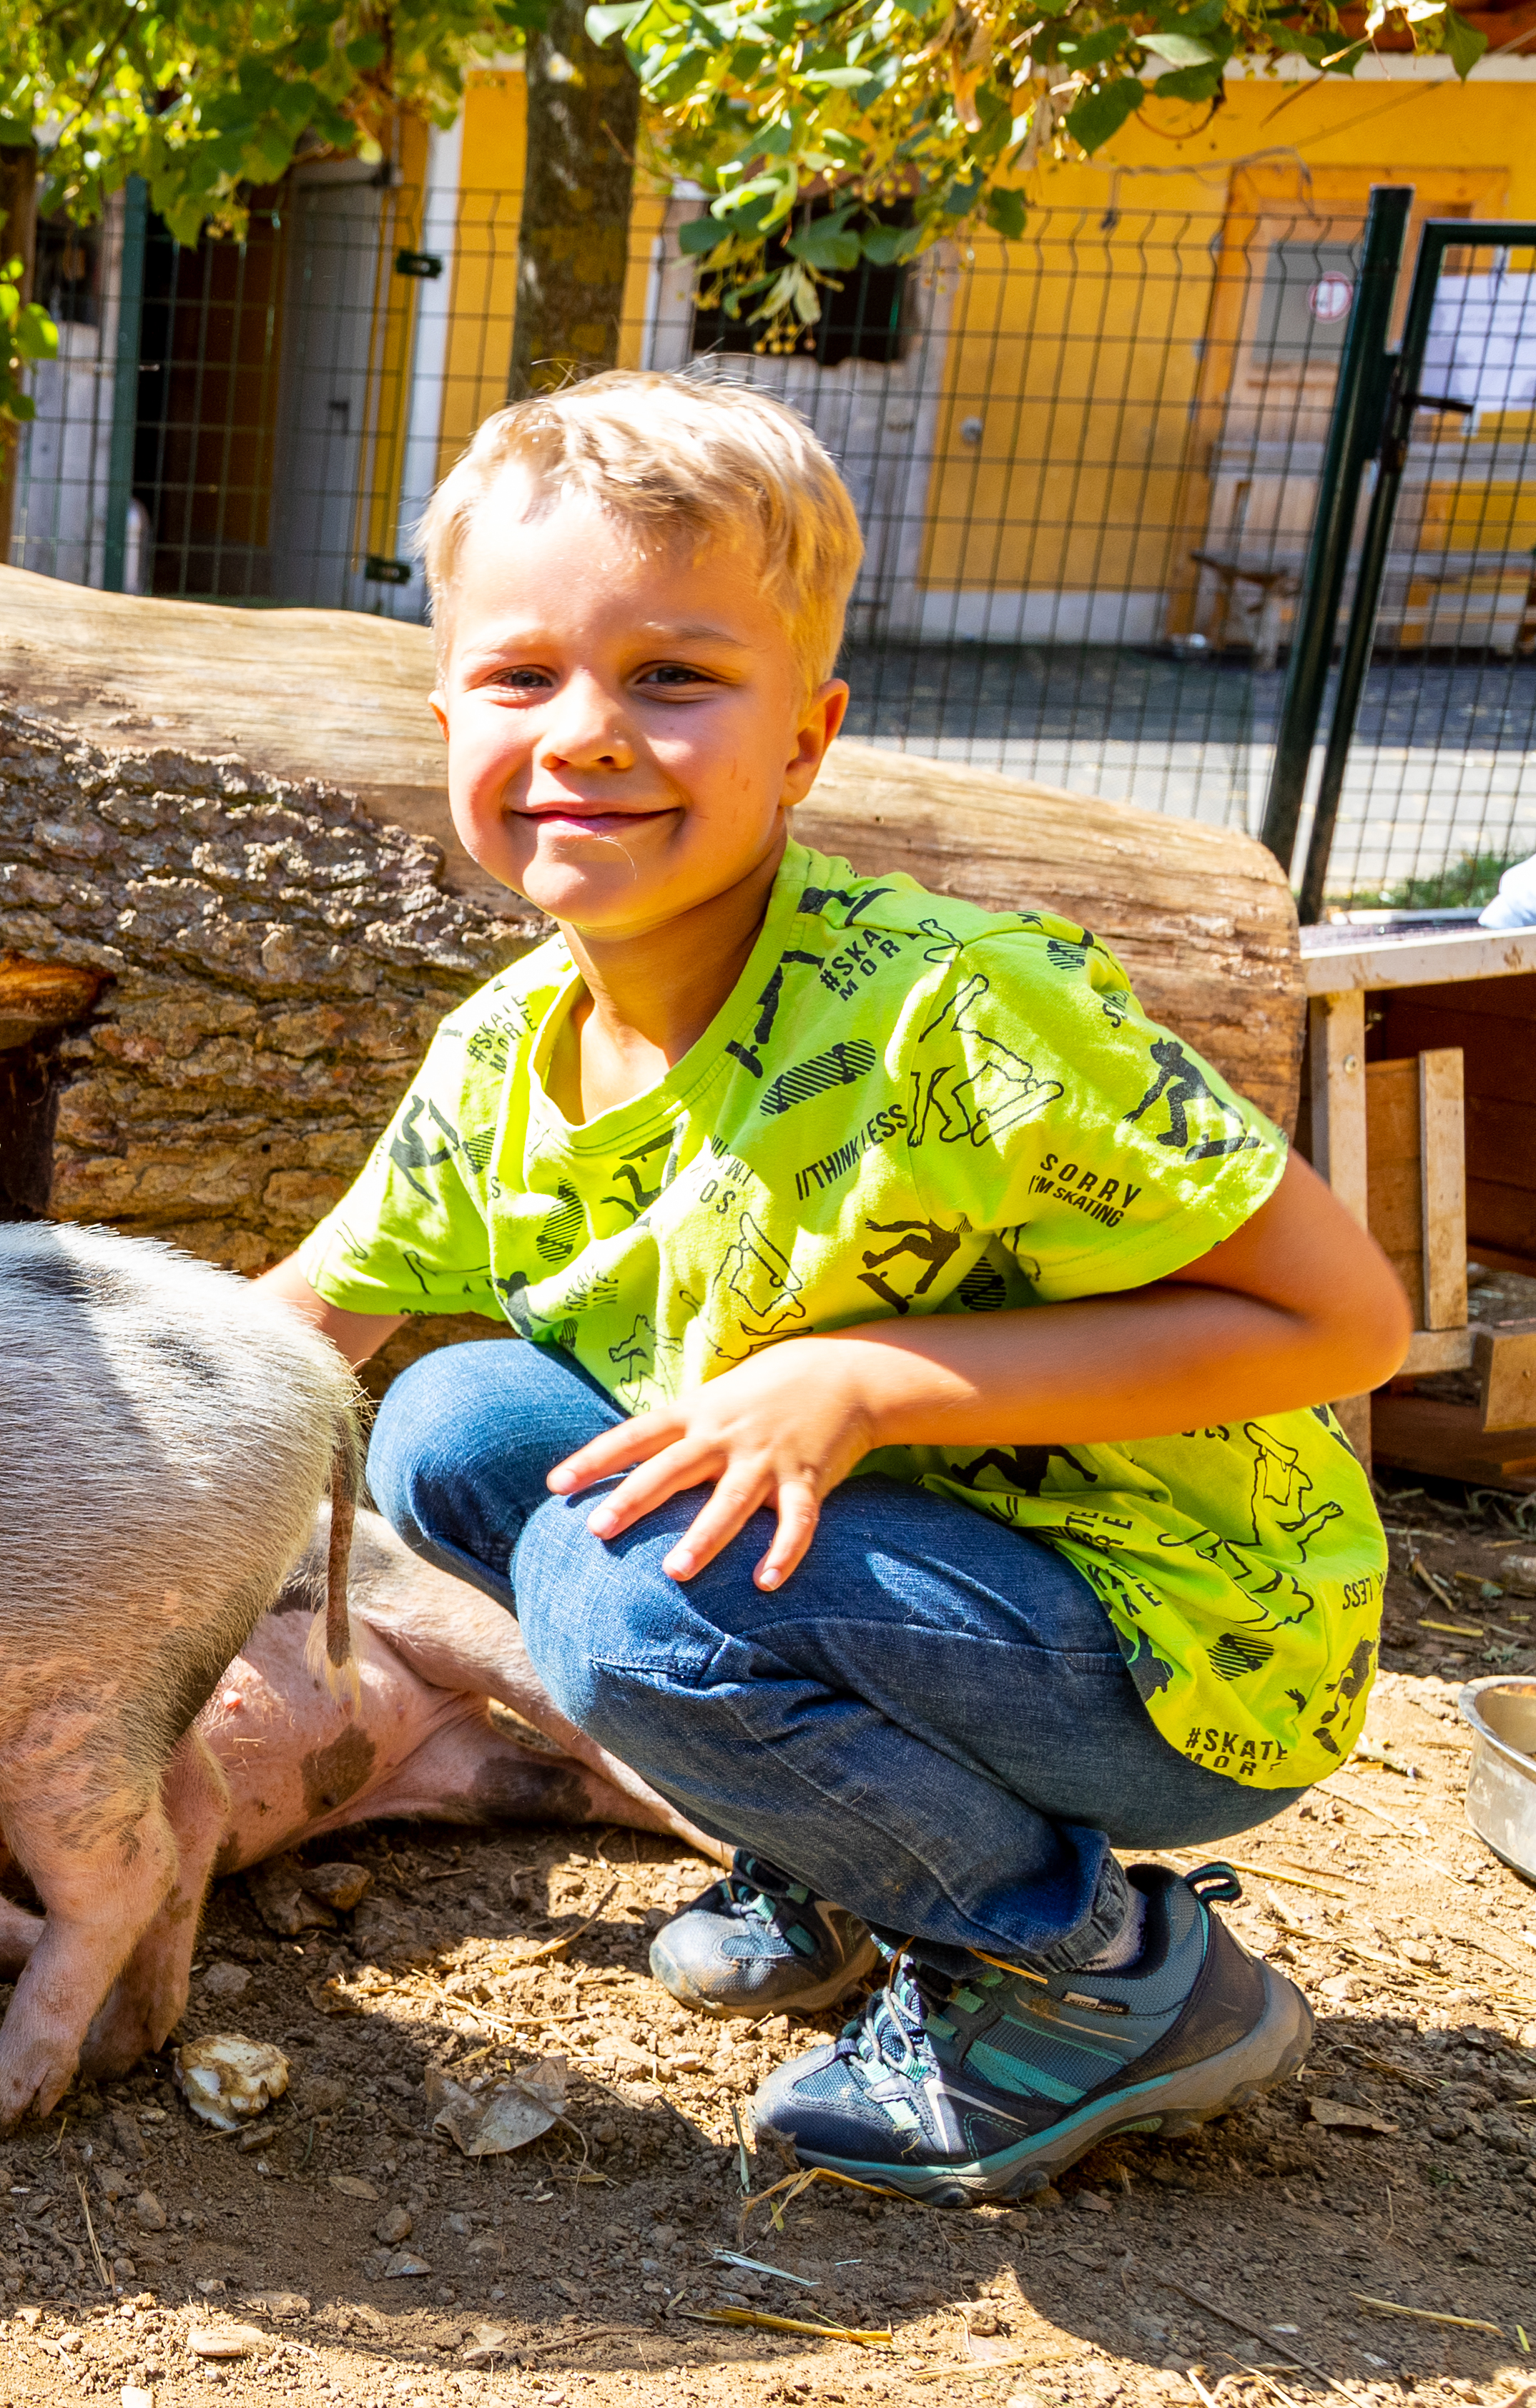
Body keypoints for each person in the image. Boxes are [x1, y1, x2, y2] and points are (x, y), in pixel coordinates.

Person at [262, 370, 1412, 2204]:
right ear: (444, 712)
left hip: (1174, 1644)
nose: (588, 734)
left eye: (673, 678)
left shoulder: (956, 1013)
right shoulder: (504, 1056)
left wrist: (875, 1379)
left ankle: (1099, 1971)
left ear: (807, 736)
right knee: (449, 1425)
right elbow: (290, 1332)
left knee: (622, 1590)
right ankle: (853, 1852)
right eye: (522, 675)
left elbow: (1348, 1320)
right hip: (917, 1581)